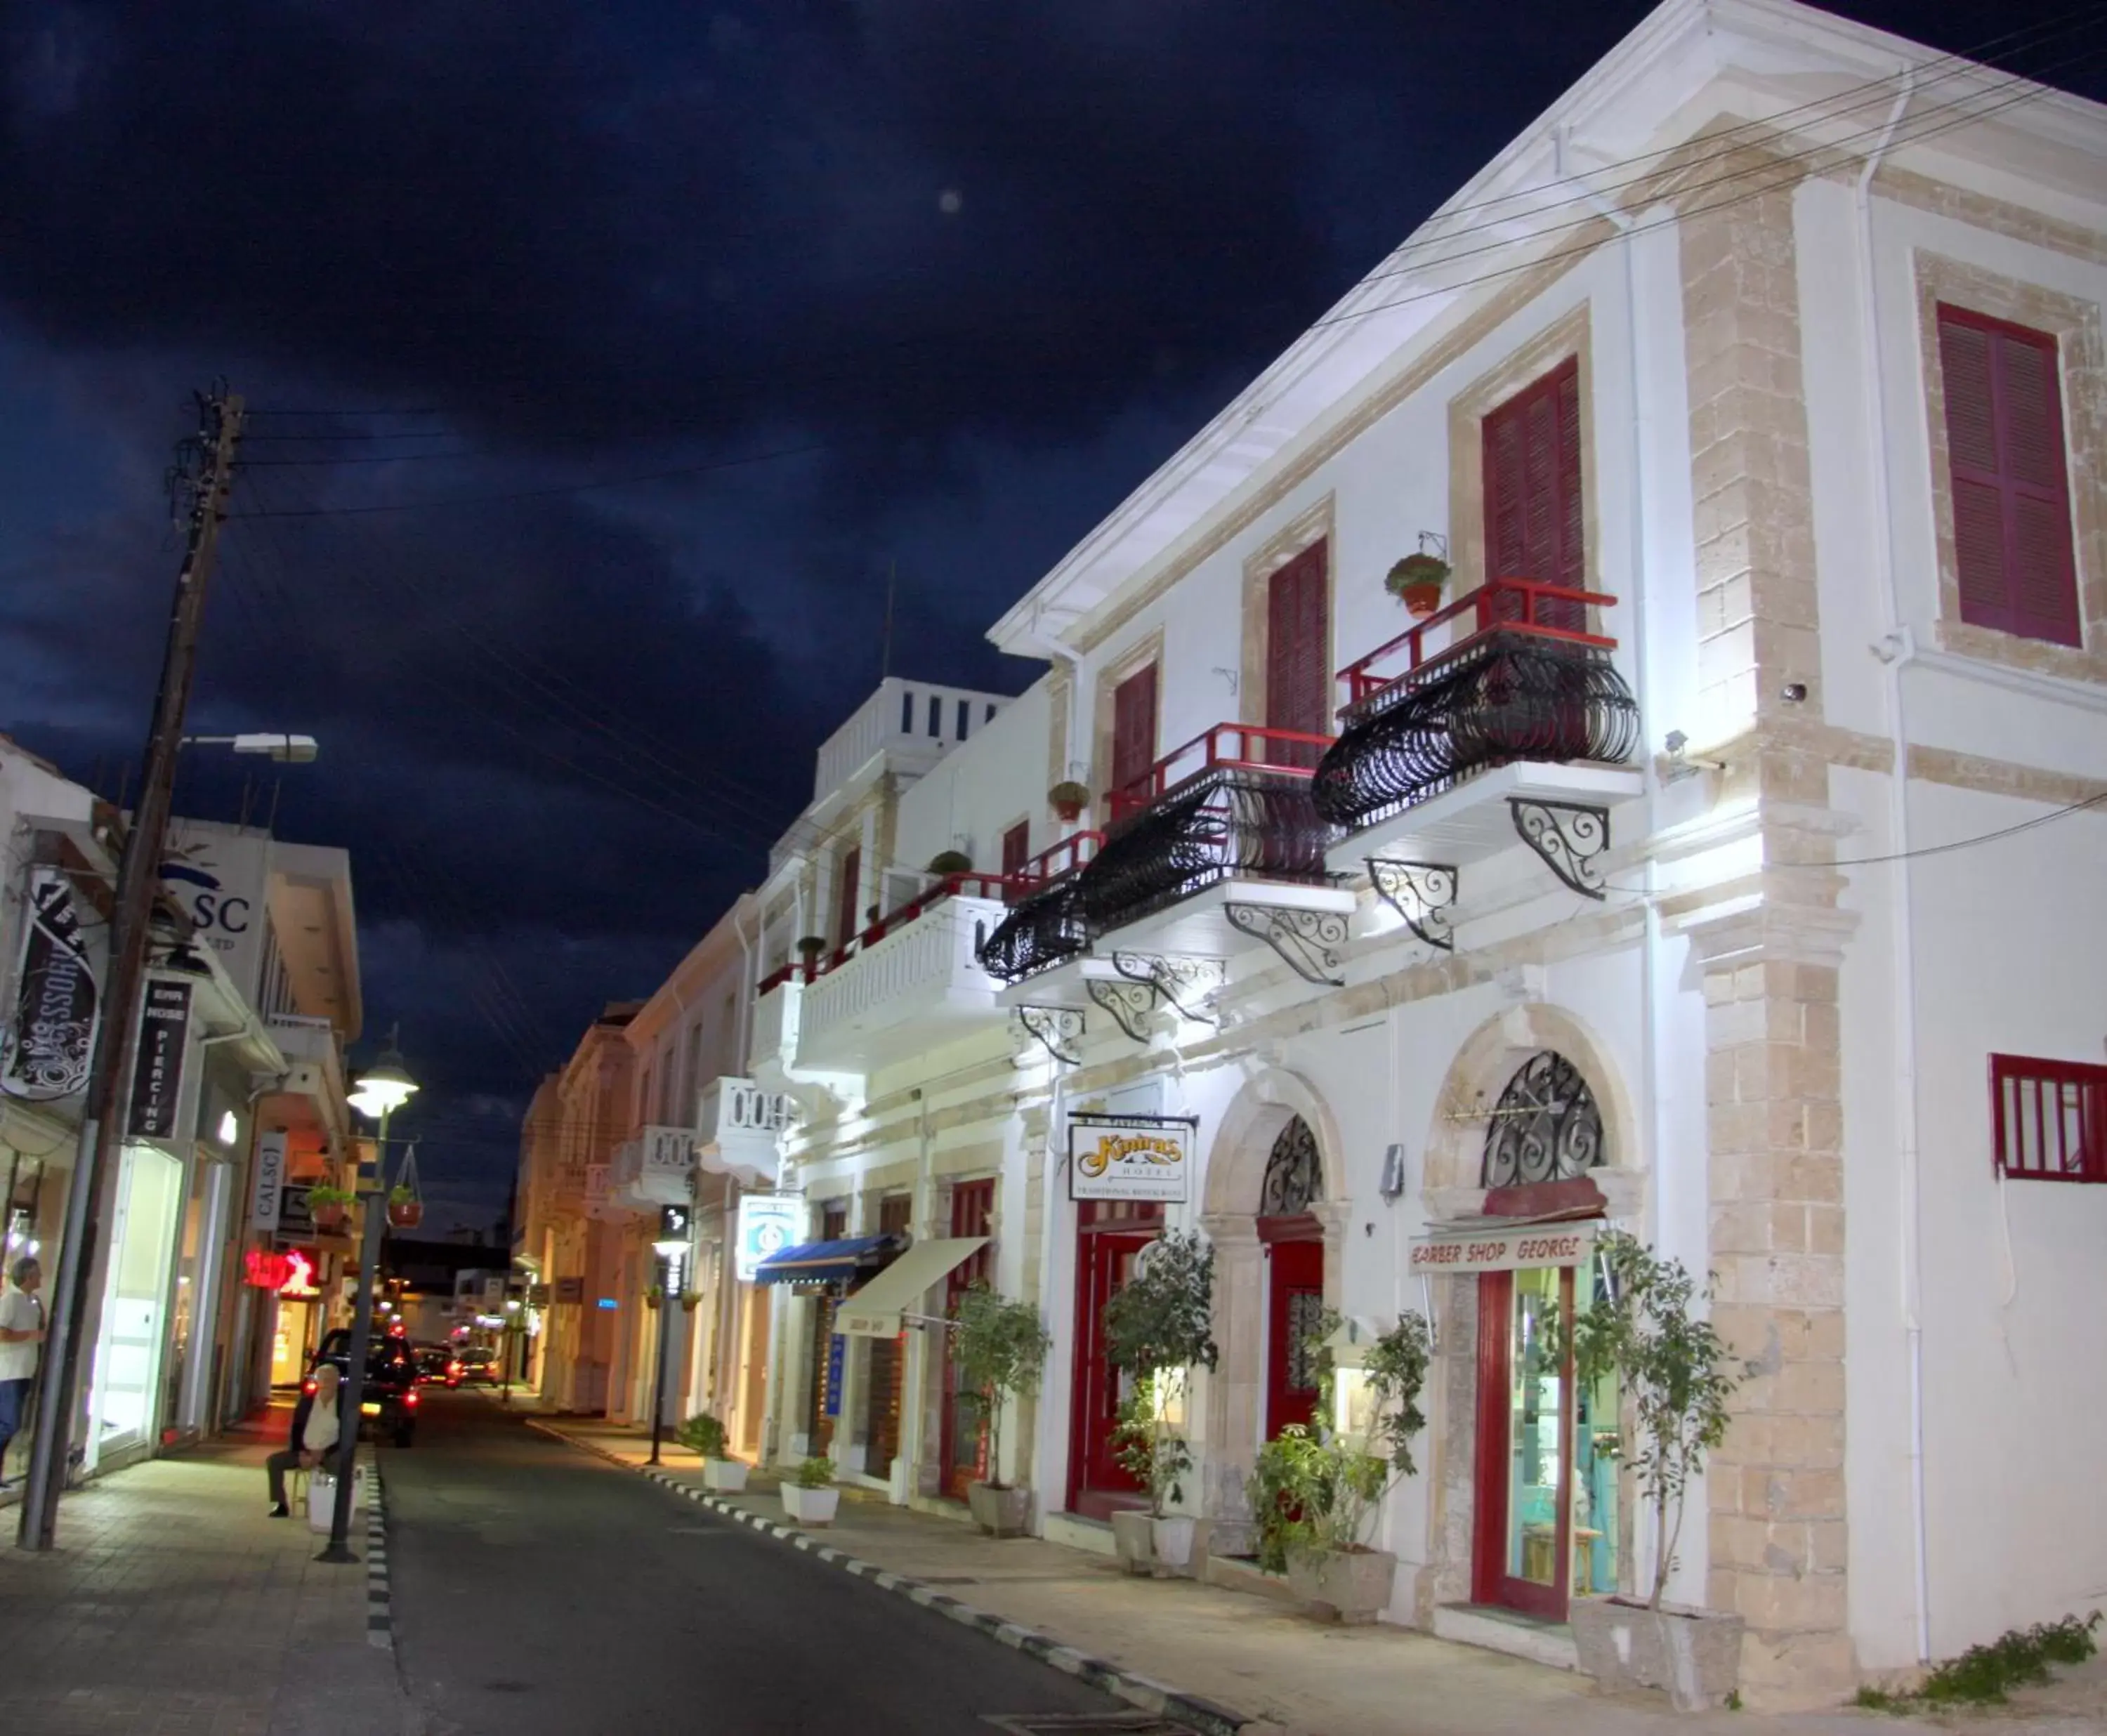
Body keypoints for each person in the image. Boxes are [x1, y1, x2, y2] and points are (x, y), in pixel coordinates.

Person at [265, 1362, 340, 1517]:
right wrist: (301, 1452)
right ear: (317, 1382)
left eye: (330, 1379)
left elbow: (347, 1436)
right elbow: (297, 1429)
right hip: (305, 1451)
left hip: (330, 1453)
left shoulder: (342, 1406)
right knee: (274, 1461)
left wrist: (324, 1453)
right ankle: (281, 1505)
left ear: (336, 1382)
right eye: (323, 1379)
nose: (326, 1383)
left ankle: (334, 1508)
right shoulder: (307, 1403)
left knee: (341, 1468)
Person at [0, 1255, 45, 1484]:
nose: (41, 1277)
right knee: (10, 1423)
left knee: (9, 1424)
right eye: (38, 1273)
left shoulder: (32, 1302)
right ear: (29, 1276)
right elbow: (2, 1333)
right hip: (9, 1372)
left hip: (25, 1371)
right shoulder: (11, 1301)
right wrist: (31, 1336)